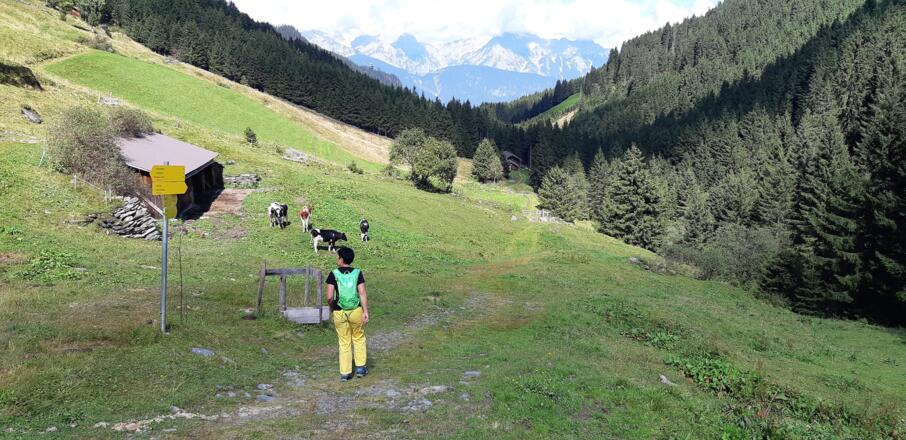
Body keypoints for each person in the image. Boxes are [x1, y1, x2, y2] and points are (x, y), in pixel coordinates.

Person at [326, 246, 369, 381]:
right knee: (358, 337)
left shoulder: (333, 274)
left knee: (344, 341)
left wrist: (332, 308)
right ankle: (360, 368)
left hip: (339, 312)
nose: (336, 258)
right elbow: (362, 293)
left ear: (341, 259)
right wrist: (365, 311)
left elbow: (329, 297)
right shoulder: (357, 273)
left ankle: (345, 373)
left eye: (337, 256)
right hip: (356, 310)